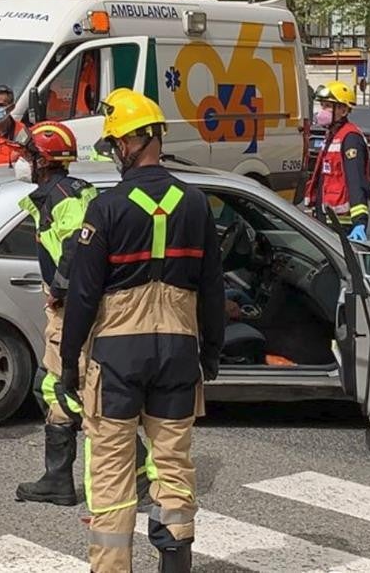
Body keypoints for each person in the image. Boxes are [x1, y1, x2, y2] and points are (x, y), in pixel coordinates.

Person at [58, 88, 224, 573]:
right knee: (172, 465)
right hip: (177, 350)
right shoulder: (195, 205)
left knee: (110, 471)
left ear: (137, 141)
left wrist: (70, 361)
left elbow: (84, 295)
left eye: (116, 145)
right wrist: (210, 351)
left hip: (117, 355)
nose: (115, 154)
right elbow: (212, 288)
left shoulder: (106, 208)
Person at [13, 121, 154, 509]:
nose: (20, 161)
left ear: (43, 162)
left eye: (27, 156)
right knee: (53, 386)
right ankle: (58, 479)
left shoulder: (66, 197)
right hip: (66, 309)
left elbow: (78, 247)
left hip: (75, 310)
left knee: (72, 390)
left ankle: (140, 468)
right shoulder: (58, 193)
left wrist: (60, 287)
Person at [302, 80, 370, 241]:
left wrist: (360, 222)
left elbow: (355, 181)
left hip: (341, 223)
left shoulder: (350, 139)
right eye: (322, 105)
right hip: (326, 219)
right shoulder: (332, 136)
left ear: (343, 110)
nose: (322, 111)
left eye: (327, 106)